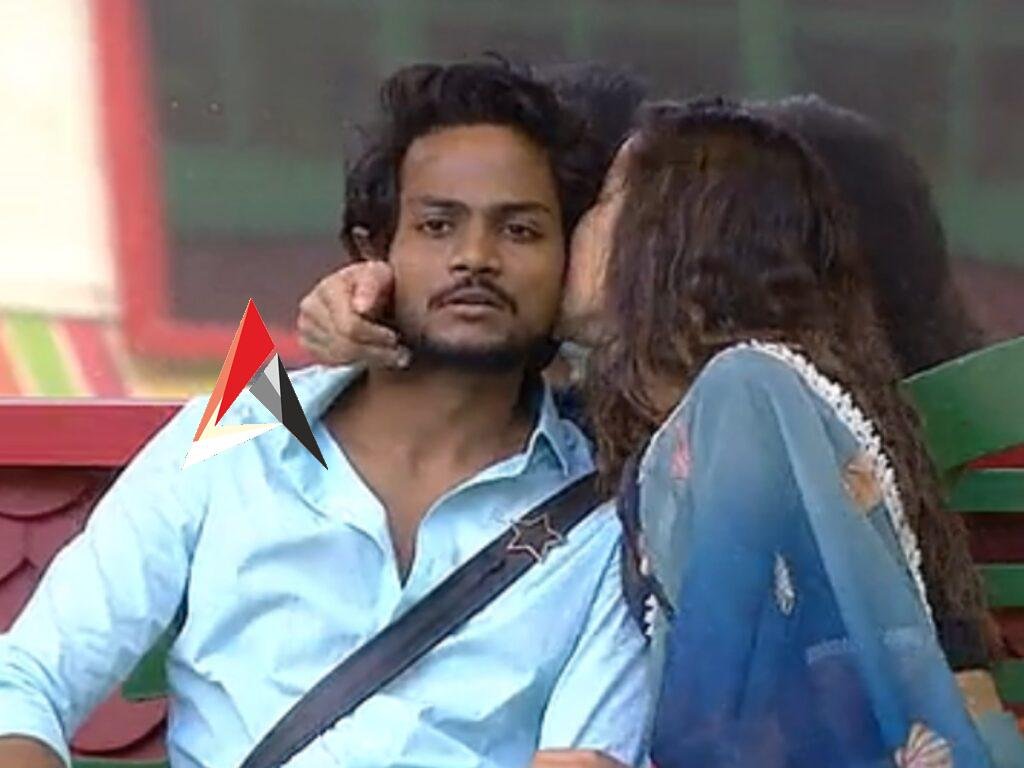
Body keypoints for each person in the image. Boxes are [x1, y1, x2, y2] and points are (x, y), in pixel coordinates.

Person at [299, 94, 1024, 764]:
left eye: (604, 202)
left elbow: (719, 721)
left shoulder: (746, 403)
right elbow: (257, 416)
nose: (572, 230)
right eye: (437, 228)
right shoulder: (646, 430)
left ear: (668, 236)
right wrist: (345, 333)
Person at [0, 60, 649, 768]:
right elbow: (25, 679)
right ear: (373, 252)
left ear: (570, 262)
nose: (474, 257)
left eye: (519, 231)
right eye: (437, 225)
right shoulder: (242, 429)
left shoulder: (604, 511)